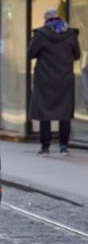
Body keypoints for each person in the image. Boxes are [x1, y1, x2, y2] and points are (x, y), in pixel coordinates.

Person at [28, 8, 80, 156]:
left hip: (44, 79)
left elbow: (30, 54)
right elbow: (77, 55)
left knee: (45, 113)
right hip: (65, 79)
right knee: (65, 113)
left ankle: (45, 147)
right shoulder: (70, 34)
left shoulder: (41, 35)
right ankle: (63, 146)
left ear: (46, 19)